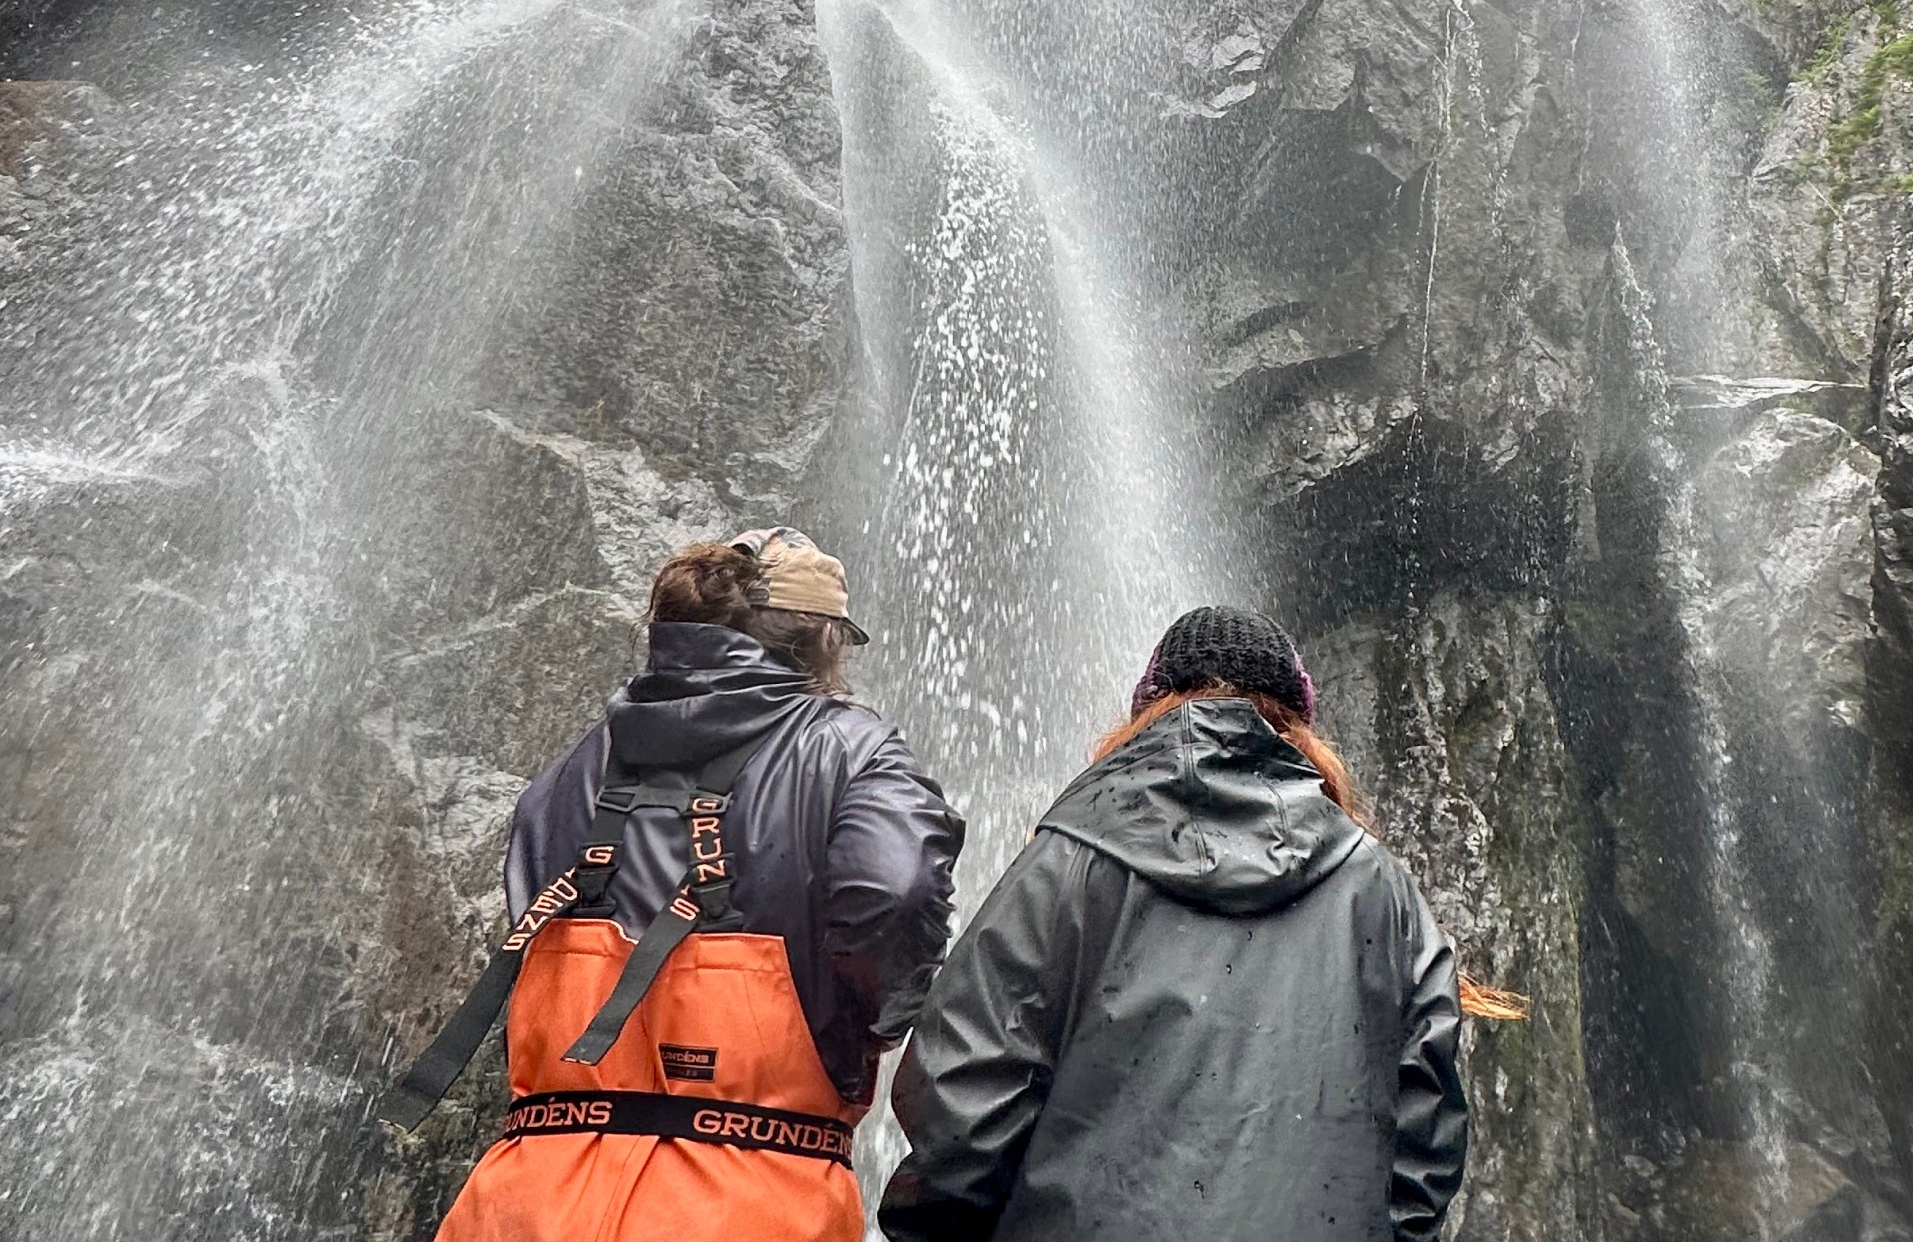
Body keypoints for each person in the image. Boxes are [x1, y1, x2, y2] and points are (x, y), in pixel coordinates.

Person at [389, 528, 964, 1242]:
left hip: (528, 1190)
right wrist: (871, 1020)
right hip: (749, 1192)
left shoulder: (575, 768)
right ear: (821, 640)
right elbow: (896, 892)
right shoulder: (852, 751)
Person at [877, 606, 1474, 1242]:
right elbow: (1426, 1133)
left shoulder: (1070, 857)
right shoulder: (1382, 890)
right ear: (1299, 727)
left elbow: (963, 1094)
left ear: (1148, 708)